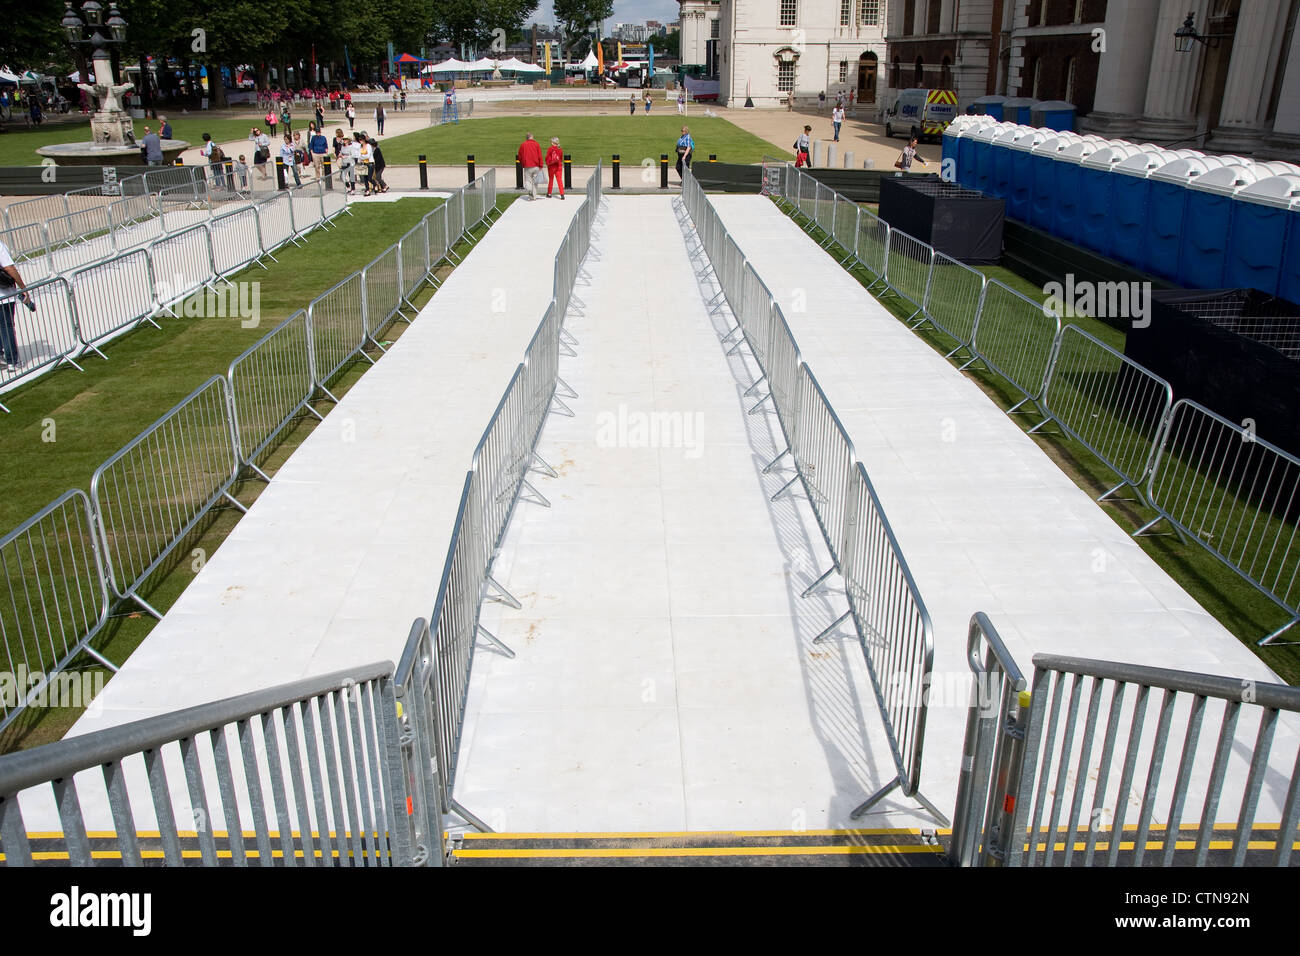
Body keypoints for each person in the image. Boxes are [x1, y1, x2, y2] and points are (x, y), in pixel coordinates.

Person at [0, 238, 34, 373]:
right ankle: (11, 361)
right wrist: (23, 288)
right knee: (6, 326)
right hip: (3, 295)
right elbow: (9, 267)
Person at [516, 132, 543, 201]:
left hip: (527, 165)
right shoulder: (536, 144)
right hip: (536, 165)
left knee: (528, 180)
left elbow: (519, 156)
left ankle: (530, 192)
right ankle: (534, 196)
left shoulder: (523, 145)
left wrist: (522, 163)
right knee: (535, 182)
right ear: (532, 137)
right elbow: (540, 155)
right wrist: (541, 165)